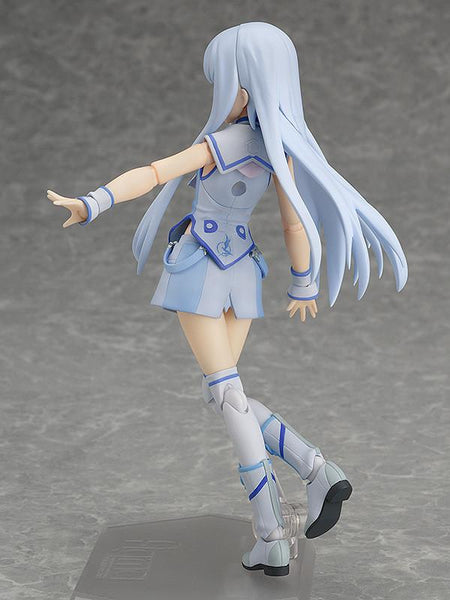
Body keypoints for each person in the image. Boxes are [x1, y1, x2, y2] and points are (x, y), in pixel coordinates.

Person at [48, 22, 407, 576]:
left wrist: (92, 202)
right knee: (223, 392)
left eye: (221, 81)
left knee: (226, 395)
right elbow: (294, 224)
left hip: (201, 270)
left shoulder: (223, 143)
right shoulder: (278, 151)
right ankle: (316, 473)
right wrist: (303, 282)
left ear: (244, 85)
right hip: (243, 273)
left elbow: (153, 173)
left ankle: (274, 527)